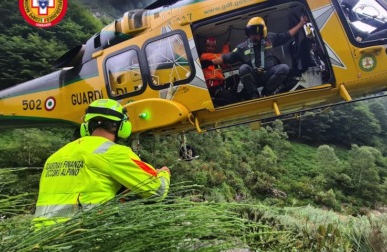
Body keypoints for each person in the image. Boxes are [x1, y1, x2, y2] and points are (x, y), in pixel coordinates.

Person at [33, 99, 170, 227]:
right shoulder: (113, 152)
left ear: (86, 126)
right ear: (122, 127)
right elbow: (157, 191)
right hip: (80, 235)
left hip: (39, 237)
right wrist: (164, 173)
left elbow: (83, 187)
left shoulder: (56, 155)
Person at [209, 16, 307, 99]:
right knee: (243, 68)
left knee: (284, 68)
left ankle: (266, 92)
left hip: (269, 75)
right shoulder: (242, 47)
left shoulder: (270, 38)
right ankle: (254, 95)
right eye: (251, 34)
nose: (253, 37)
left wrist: (301, 23)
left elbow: (287, 35)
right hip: (254, 78)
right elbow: (226, 57)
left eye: (255, 34)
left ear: (262, 33)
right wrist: (209, 63)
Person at [200, 37, 240, 106]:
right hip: (213, 87)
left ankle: (233, 95)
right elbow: (224, 56)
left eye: (212, 47)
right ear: (205, 47)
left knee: (236, 78)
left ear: (214, 48)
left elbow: (224, 63)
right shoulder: (204, 56)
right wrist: (226, 45)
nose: (210, 48)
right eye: (208, 46)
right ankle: (233, 98)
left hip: (221, 84)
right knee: (234, 101)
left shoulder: (216, 61)